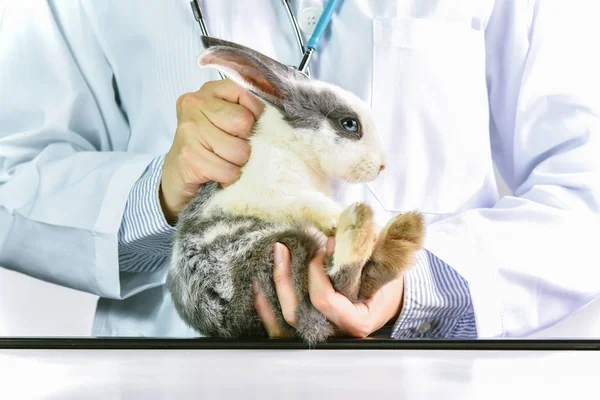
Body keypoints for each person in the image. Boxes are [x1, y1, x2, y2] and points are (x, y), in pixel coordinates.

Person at [1, 0, 599, 339]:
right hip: (174, 372)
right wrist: (158, 194)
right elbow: (11, 175)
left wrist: (415, 283)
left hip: (421, 377)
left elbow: (586, 191)